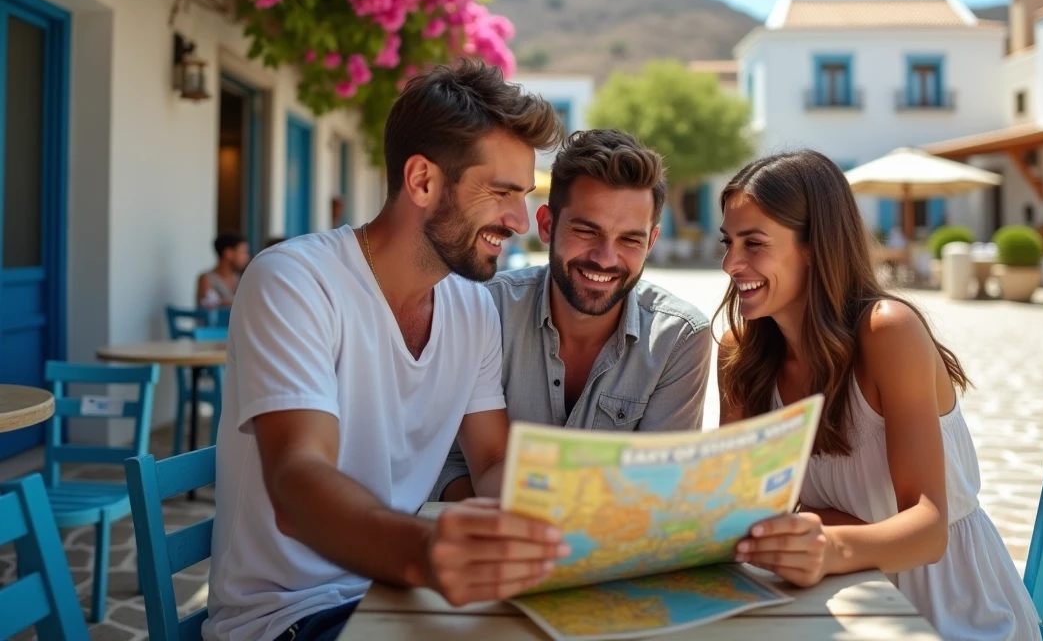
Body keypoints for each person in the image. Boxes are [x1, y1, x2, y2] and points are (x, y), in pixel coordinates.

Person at [204, 60, 571, 641]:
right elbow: (298, 484)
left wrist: (575, 526)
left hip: (395, 596)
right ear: (422, 181)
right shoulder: (296, 281)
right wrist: (424, 551)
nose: (519, 220)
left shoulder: (473, 308)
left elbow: (494, 463)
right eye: (502, 193)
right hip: (291, 617)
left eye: (522, 196)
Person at [716, 151, 1040, 641]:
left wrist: (828, 548)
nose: (730, 264)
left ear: (814, 247)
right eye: (729, 242)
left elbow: (929, 529)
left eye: (753, 243)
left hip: (947, 604)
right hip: (834, 593)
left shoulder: (888, 332)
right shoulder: (740, 353)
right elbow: (736, 501)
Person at [434, 129, 711, 502]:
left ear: (652, 241)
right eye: (585, 231)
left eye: (630, 239)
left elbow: (661, 491)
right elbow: (442, 463)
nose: (605, 258)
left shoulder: (678, 338)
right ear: (547, 225)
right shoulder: (484, 310)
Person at [196, 231, 250, 308]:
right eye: (243, 252)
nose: (247, 257)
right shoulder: (207, 279)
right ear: (228, 253)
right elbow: (207, 304)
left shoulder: (240, 279)